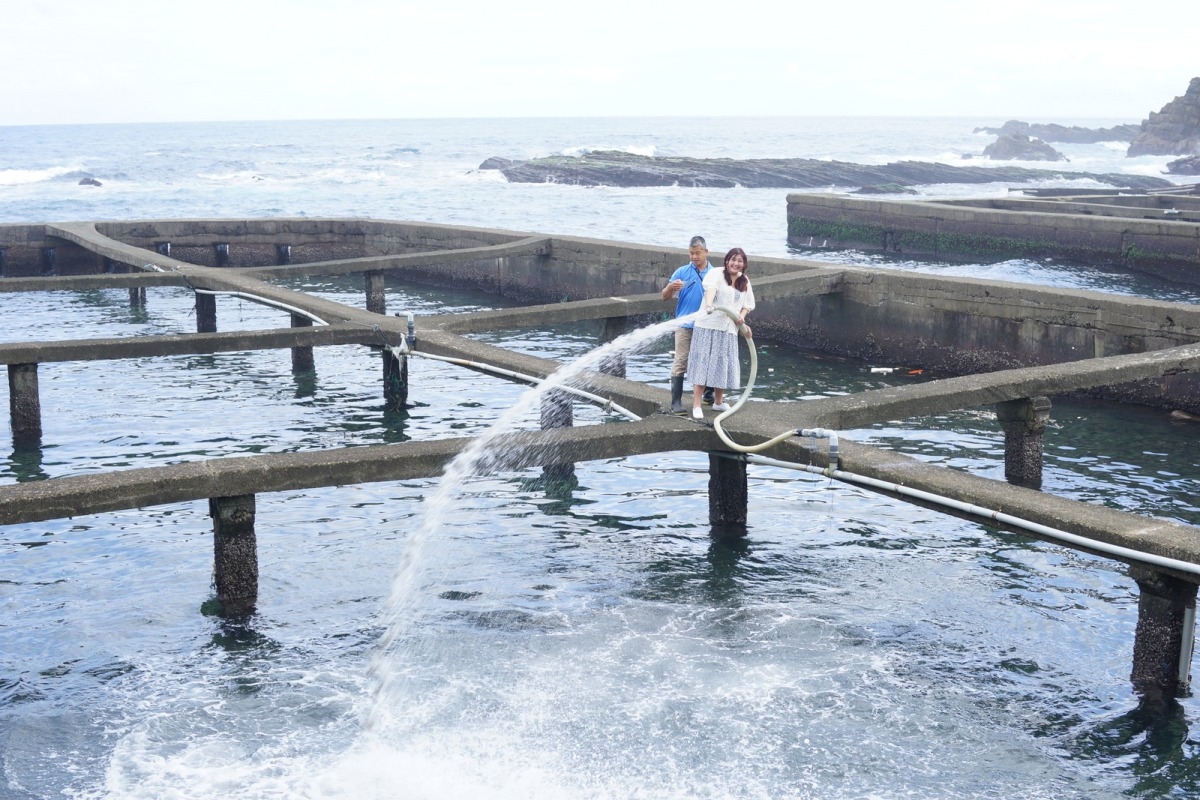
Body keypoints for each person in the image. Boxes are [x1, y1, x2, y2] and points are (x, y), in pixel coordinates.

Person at [687, 247, 755, 419]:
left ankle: (718, 402)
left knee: (722, 364)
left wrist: (741, 318)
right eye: (733, 259)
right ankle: (696, 404)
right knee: (704, 362)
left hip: (729, 329)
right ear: (727, 261)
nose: (736, 263)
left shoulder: (744, 281)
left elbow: (747, 304)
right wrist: (709, 305)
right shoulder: (716, 273)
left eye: (740, 261)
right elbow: (711, 290)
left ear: (744, 264)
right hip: (708, 326)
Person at [661, 236, 713, 413]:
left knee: (707, 360)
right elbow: (664, 296)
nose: (694, 257)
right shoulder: (681, 272)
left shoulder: (714, 273)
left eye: (697, 253)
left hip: (705, 325)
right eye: (691, 253)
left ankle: (708, 394)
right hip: (684, 324)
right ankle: (676, 402)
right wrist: (670, 288)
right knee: (681, 361)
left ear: (706, 252)